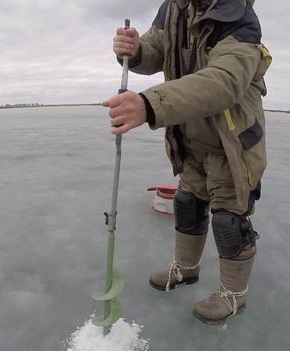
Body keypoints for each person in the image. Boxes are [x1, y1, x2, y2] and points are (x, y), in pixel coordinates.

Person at [102, 0, 271, 325]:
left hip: (232, 142)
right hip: (192, 135)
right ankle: (186, 269)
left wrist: (150, 104)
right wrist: (136, 50)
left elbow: (223, 82)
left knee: (228, 219)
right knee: (188, 201)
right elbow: (156, 49)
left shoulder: (241, 19)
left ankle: (234, 294)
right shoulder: (174, 8)